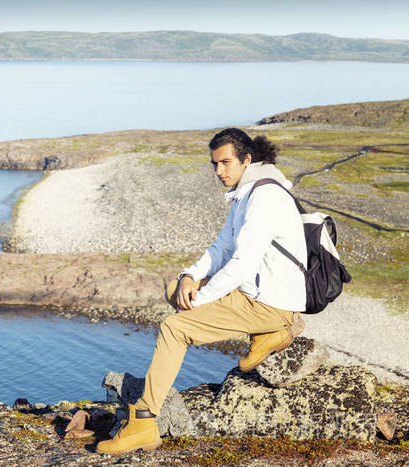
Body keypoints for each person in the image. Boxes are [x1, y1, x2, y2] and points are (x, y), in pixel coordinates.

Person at [97, 128, 307, 455]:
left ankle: (143, 423)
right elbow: (222, 248)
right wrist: (188, 277)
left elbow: (239, 264)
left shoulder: (264, 198)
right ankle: (268, 333)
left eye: (226, 163)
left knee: (174, 327)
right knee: (173, 290)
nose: (219, 171)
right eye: (214, 164)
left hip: (267, 301)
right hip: (257, 292)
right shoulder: (248, 192)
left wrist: (198, 302)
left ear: (246, 159)